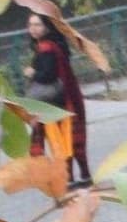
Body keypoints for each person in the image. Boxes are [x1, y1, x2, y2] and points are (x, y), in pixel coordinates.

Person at [27, 24, 93, 192]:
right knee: (73, 140)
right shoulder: (57, 45)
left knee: (60, 142)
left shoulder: (46, 48)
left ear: (47, 28)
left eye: (37, 25)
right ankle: (84, 175)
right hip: (68, 99)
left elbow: (48, 75)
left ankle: (69, 178)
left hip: (53, 103)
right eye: (30, 25)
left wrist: (32, 73)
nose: (33, 28)